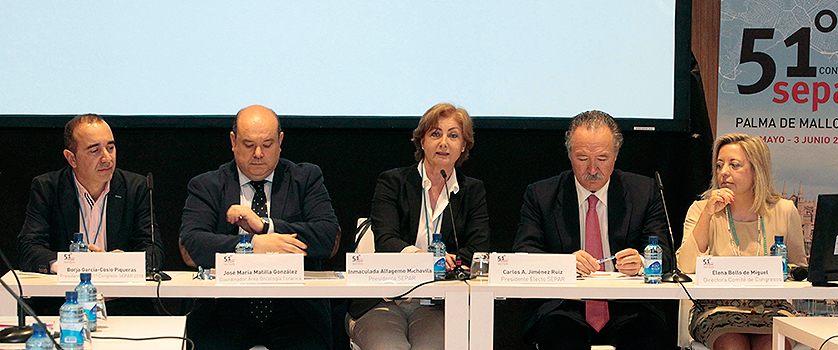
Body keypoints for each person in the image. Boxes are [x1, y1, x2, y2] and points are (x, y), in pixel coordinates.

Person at [179, 105, 340, 350]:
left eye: (267, 144)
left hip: (294, 308)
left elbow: (328, 237)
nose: (258, 153)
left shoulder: (305, 179)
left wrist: (266, 227)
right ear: (233, 141)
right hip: (224, 307)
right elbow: (192, 244)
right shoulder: (207, 185)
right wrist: (252, 245)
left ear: (280, 141)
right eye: (248, 144)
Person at [511, 110, 672, 350]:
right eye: (583, 158)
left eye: (603, 158)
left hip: (629, 307)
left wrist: (641, 261)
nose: (593, 168)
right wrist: (564, 265)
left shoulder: (644, 192)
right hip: (564, 307)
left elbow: (666, 256)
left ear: (616, 156)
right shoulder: (541, 195)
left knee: (649, 339)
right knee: (560, 339)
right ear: (569, 155)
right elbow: (524, 255)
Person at [347, 103, 490, 350]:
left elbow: (478, 248)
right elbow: (386, 240)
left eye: (453, 135)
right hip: (384, 300)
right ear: (421, 141)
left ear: (464, 145)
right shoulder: (393, 182)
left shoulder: (471, 191)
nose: (444, 142)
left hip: (439, 304)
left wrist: (450, 262)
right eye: (435, 134)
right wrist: (425, 260)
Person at [676, 133, 807, 350]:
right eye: (719, 165)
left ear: (757, 170)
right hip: (716, 309)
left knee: (773, 345)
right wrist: (708, 214)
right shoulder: (701, 209)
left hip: (772, 308)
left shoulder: (784, 210)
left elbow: (800, 270)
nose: (724, 172)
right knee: (733, 346)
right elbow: (685, 267)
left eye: (734, 165)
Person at [18, 113, 164, 274]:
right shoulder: (48, 188)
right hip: (65, 295)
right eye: (95, 150)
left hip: (121, 295)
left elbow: (153, 250)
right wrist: (68, 266)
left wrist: (121, 262)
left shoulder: (135, 188)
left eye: (110, 148)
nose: (107, 158)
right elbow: (29, 248)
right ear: (71, 158)